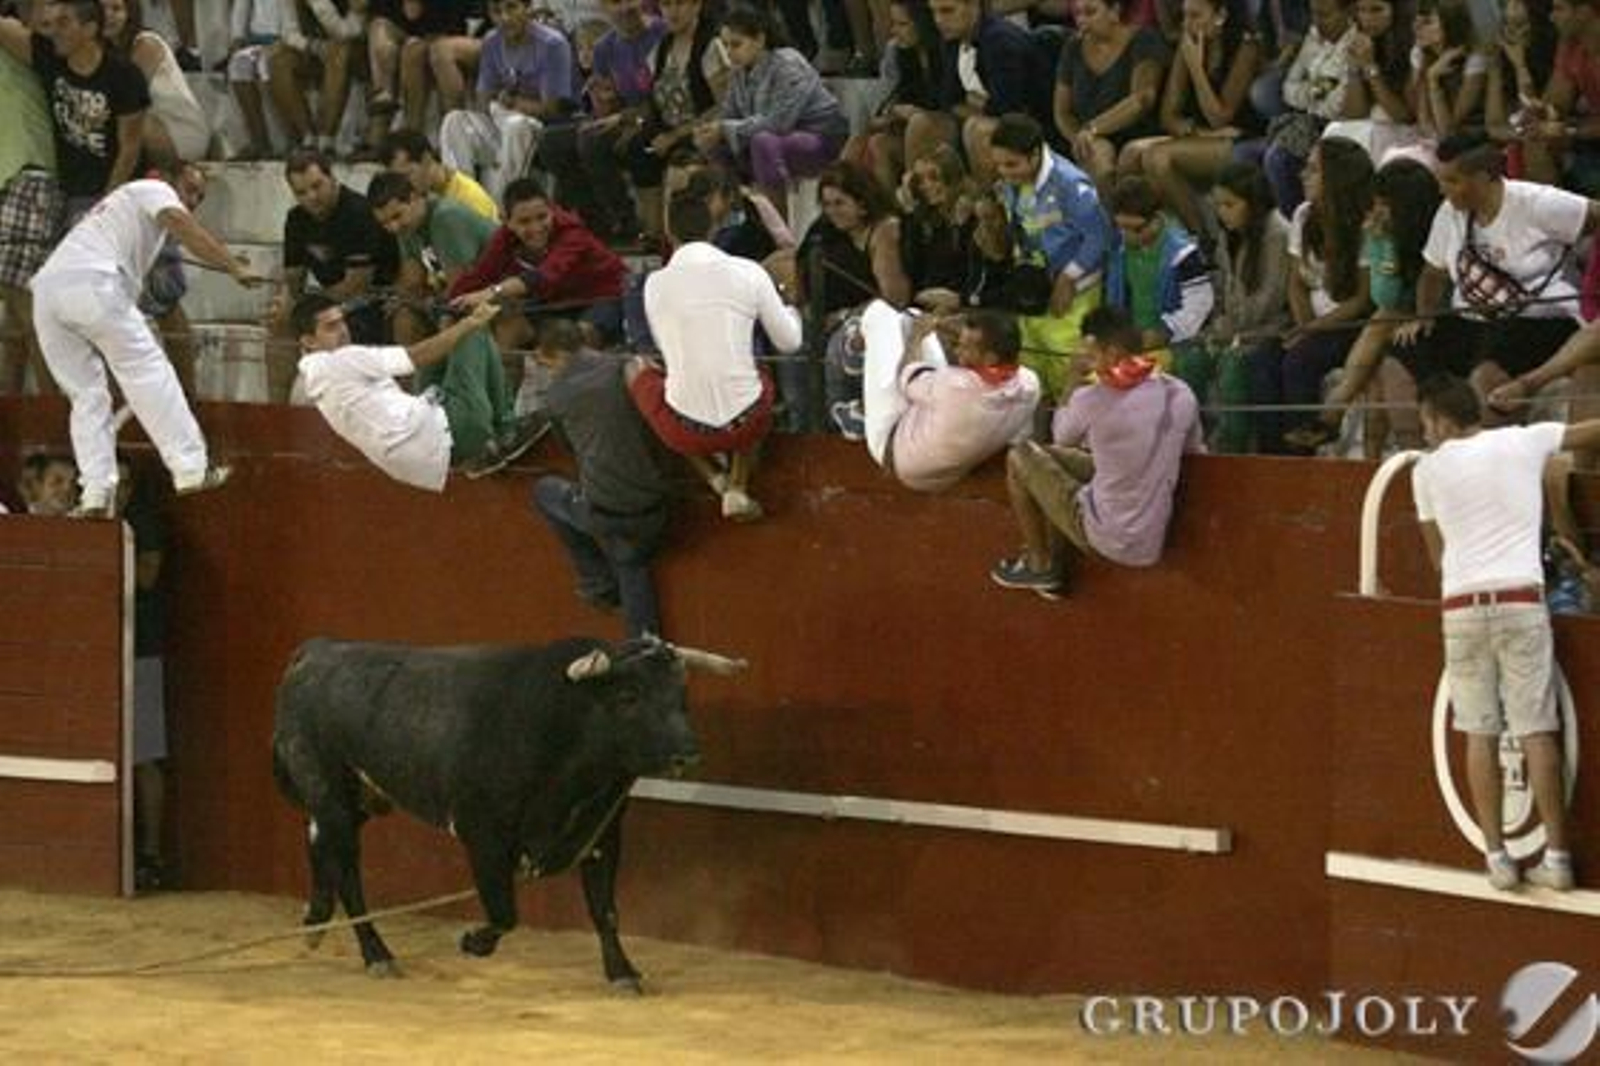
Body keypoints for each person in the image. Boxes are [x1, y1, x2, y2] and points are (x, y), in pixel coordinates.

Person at [1411, 373, 1594, 893]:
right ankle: (1557, 856)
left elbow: (1437, 557)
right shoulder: (1524, 439)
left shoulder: (1425, 471)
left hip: (1462, 603)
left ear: (1443, 419)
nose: (1425, 432)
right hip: (1519, 597)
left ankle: (1496, 856)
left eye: (1426, 421)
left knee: (1479, 732)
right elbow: (1589, 431)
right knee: (1536, 729)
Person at [29, 164, 257, 517]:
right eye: (189, 188)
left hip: (47, 292)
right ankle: (190, 467)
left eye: (199, 196)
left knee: (86, 395)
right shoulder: (154, 189)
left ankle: (95, 493)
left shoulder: (120, 211)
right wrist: (232, 265)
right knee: (146, 369)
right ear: (165, 177)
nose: (192, 199)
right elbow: (182, 224)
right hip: (93, 282)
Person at [991, 304, 1204, 599]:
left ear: (1113, 354)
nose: (1087, 362)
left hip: (1108, 536)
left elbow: (1061, 435)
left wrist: (1073, 377)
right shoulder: (1180, 392)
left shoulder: (1092, 399)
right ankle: (1053, 560)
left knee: (1021, 456)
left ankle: (1040, 565)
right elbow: (1196, 451)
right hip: (1152, 537)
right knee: (1054, 458)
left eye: (1091, 355)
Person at [636, 179, 804, 521]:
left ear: (669, 232)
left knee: (638, 371)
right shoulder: (749, 272)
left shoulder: (653, 285)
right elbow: (790, 343)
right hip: (748, 422)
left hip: (684, 433)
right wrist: (792, 309)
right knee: (755, 369)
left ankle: (714, 478)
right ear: (713, 226)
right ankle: (738, 485)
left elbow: (663, 351)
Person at [294, 293, 547, 487]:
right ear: (308, 340)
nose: (343, 331)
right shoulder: (342, 359)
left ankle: (488, 436)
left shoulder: (312, 375)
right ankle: (506, 431)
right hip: (452, 434)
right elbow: (416, 356)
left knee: (446, 341)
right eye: (331, 327)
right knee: (473, 334)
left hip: (416, 464)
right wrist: (471, 321)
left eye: (342, 322)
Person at [530, 318, 674, 637]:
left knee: (544, 491)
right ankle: (643, 643)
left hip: (607, 510)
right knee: (629, 558)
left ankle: (596, 582)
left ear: (555, 355)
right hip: (655, 505)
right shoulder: (624, 368)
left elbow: (567, 447)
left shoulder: (557, 396)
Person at [448, 177, 628, 412]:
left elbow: (544, 276)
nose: (536, 227)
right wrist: (449, 304)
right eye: (524, 221)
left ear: (551, 210)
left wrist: (492, 292)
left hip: (604, 298)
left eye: (542, 217)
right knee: (507, 324)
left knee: (576, 339)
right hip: (554, 303)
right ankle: (503, 412)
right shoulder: (503, 238)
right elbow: (480, 274)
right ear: (507, 221)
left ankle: (575, 412)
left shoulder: (572, 232)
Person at [838, 301, 1040, 491]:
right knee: (913, 315)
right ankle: (864, 401)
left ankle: (853, 358)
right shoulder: (1030, 383)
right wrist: (936, 324)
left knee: (880, 311)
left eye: (965, 347)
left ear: (990, 358)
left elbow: (905, 375)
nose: (957, 349)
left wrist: (917, 336)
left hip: (891, 445)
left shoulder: (956, 386)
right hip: (948, 474)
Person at [989, 112, 1114, 399]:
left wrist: (1068, 279)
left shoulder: (1070, 183)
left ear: (1034, 155)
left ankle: (1071, 439)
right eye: (999, 165)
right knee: (1032, 376)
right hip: (1032, 290)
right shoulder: (1011, 183)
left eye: (1012, 164)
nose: (1005, 172)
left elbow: (1100, 236)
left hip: (1074, 295)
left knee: (1068, 372)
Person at [692, 6, 850, 207]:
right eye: (726, 46)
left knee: (763, 142)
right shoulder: (739, 73)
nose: (730, 53)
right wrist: (711, 131)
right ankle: (740, 219)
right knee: (716, 147)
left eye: (736, 45)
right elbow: (730, 115)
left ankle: (775, 232)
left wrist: (724, 128)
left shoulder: (787, 63)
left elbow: (779, 122)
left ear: (760, 39)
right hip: (775, 138)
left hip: (820, 138)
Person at [0, 0, 149, 212]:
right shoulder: (49, 56)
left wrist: (106, 204)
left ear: (89, 29)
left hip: (115, 192)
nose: (55, 32)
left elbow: (130, 148)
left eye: (64, 23)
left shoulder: (124, 75)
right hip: (69, 192)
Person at [438, 0, 573, 204]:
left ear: (527, 7)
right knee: (454, 120)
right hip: (503, 119)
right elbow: (484, 99)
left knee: (516, 126)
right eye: (496, 11)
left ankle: (500, 214)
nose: (505, 18)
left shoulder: (552, 44)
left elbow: (553, 109)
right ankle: (464, 205)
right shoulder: (492, 41)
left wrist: (511, 102)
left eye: (511, 7)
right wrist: (502, 105)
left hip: (545, 129)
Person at [117, 457, 170, 891]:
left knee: (145, 756)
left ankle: (151, 855)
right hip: (110, 654)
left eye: (123, 483)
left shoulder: (142, 524)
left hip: (142, 652)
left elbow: (148, 577)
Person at [384, 128, 500, 222]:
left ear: (426, 159)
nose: (404, 185)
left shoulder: (469, 198)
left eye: (407, 175)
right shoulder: (421, 200)